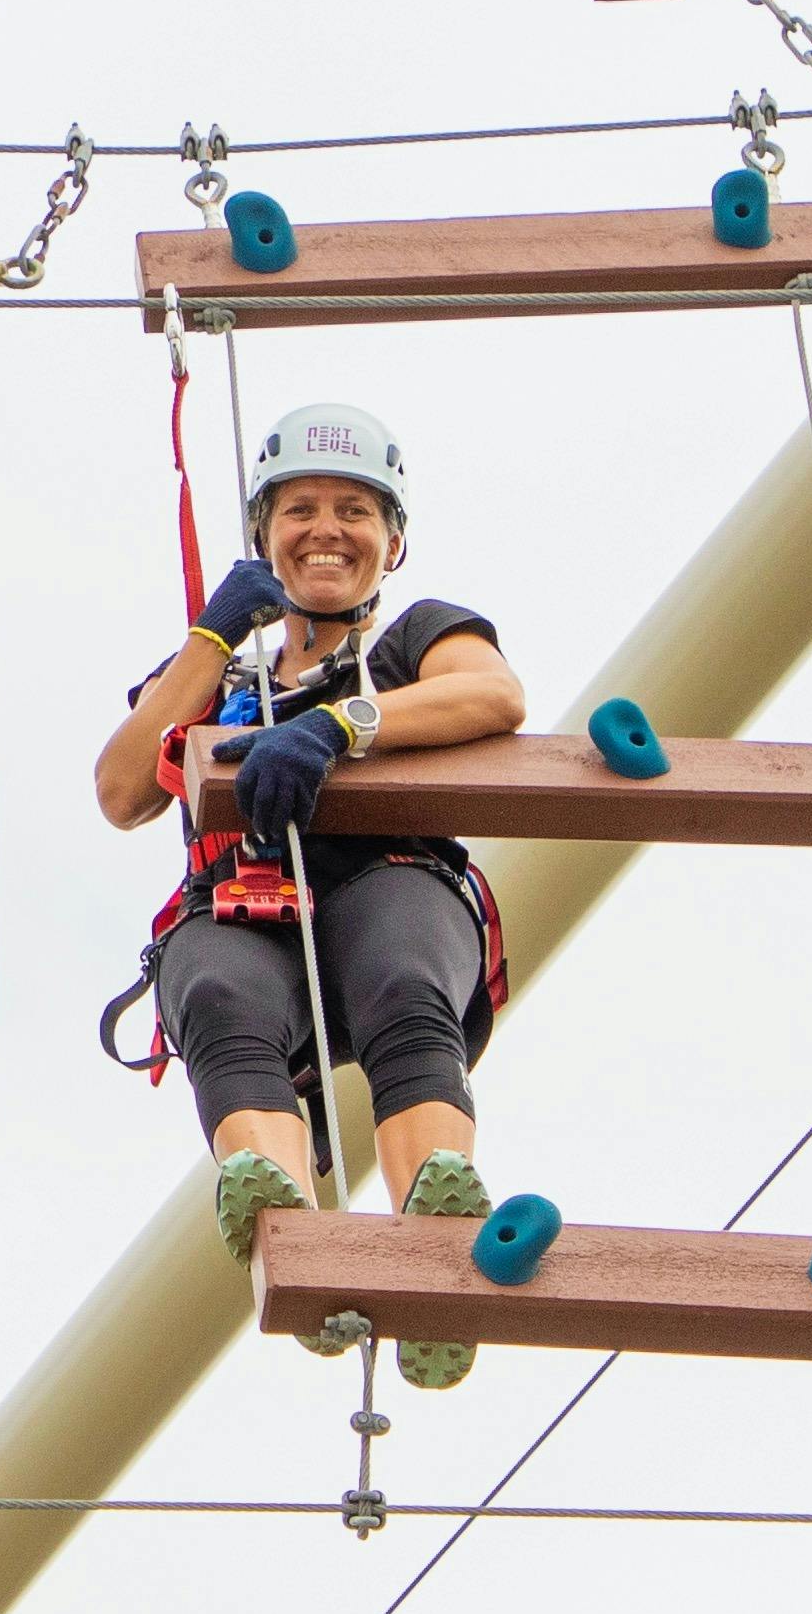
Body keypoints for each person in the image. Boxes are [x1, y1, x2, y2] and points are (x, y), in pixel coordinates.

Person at [93, 401, 527, 1389]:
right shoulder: (218, 673)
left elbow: (494, 694)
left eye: (354, 511)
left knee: (402, 976)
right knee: (213, 989)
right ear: (263, 534)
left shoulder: (416, 638)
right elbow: (122, 789)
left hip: (387, 882)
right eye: (300, 510)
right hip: (248, 907)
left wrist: (340, 724)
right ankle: (289, 1226)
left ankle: (435, 1233)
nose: (326, 530)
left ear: (393, 542)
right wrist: (210, 641)